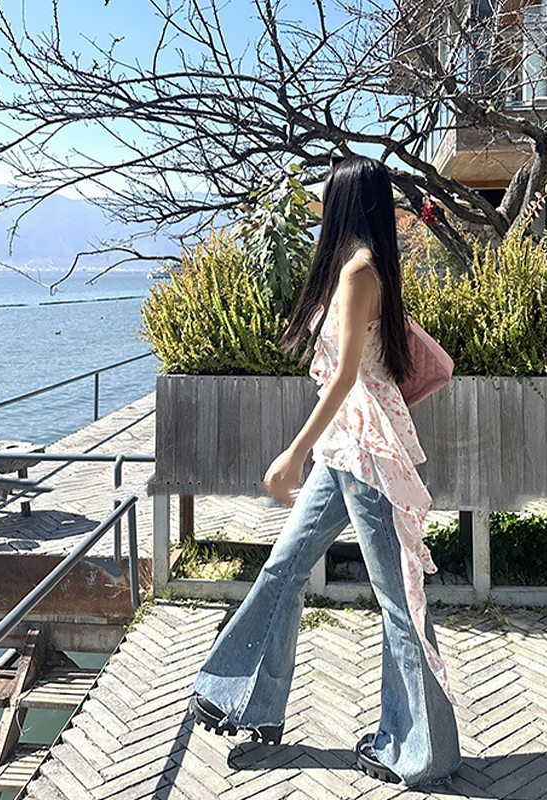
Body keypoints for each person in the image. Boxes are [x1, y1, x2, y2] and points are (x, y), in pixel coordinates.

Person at [189, 155, 462, 788]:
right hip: (345, 448)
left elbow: (343, 379)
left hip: (364, 451)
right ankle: (242, 700)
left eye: (325, 197)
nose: (317, 206)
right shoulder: (361, 266)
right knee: (283, 568)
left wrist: (292, 452)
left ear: (343, 203)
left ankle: (423, 751)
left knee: (399, 602)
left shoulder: (360, 270)